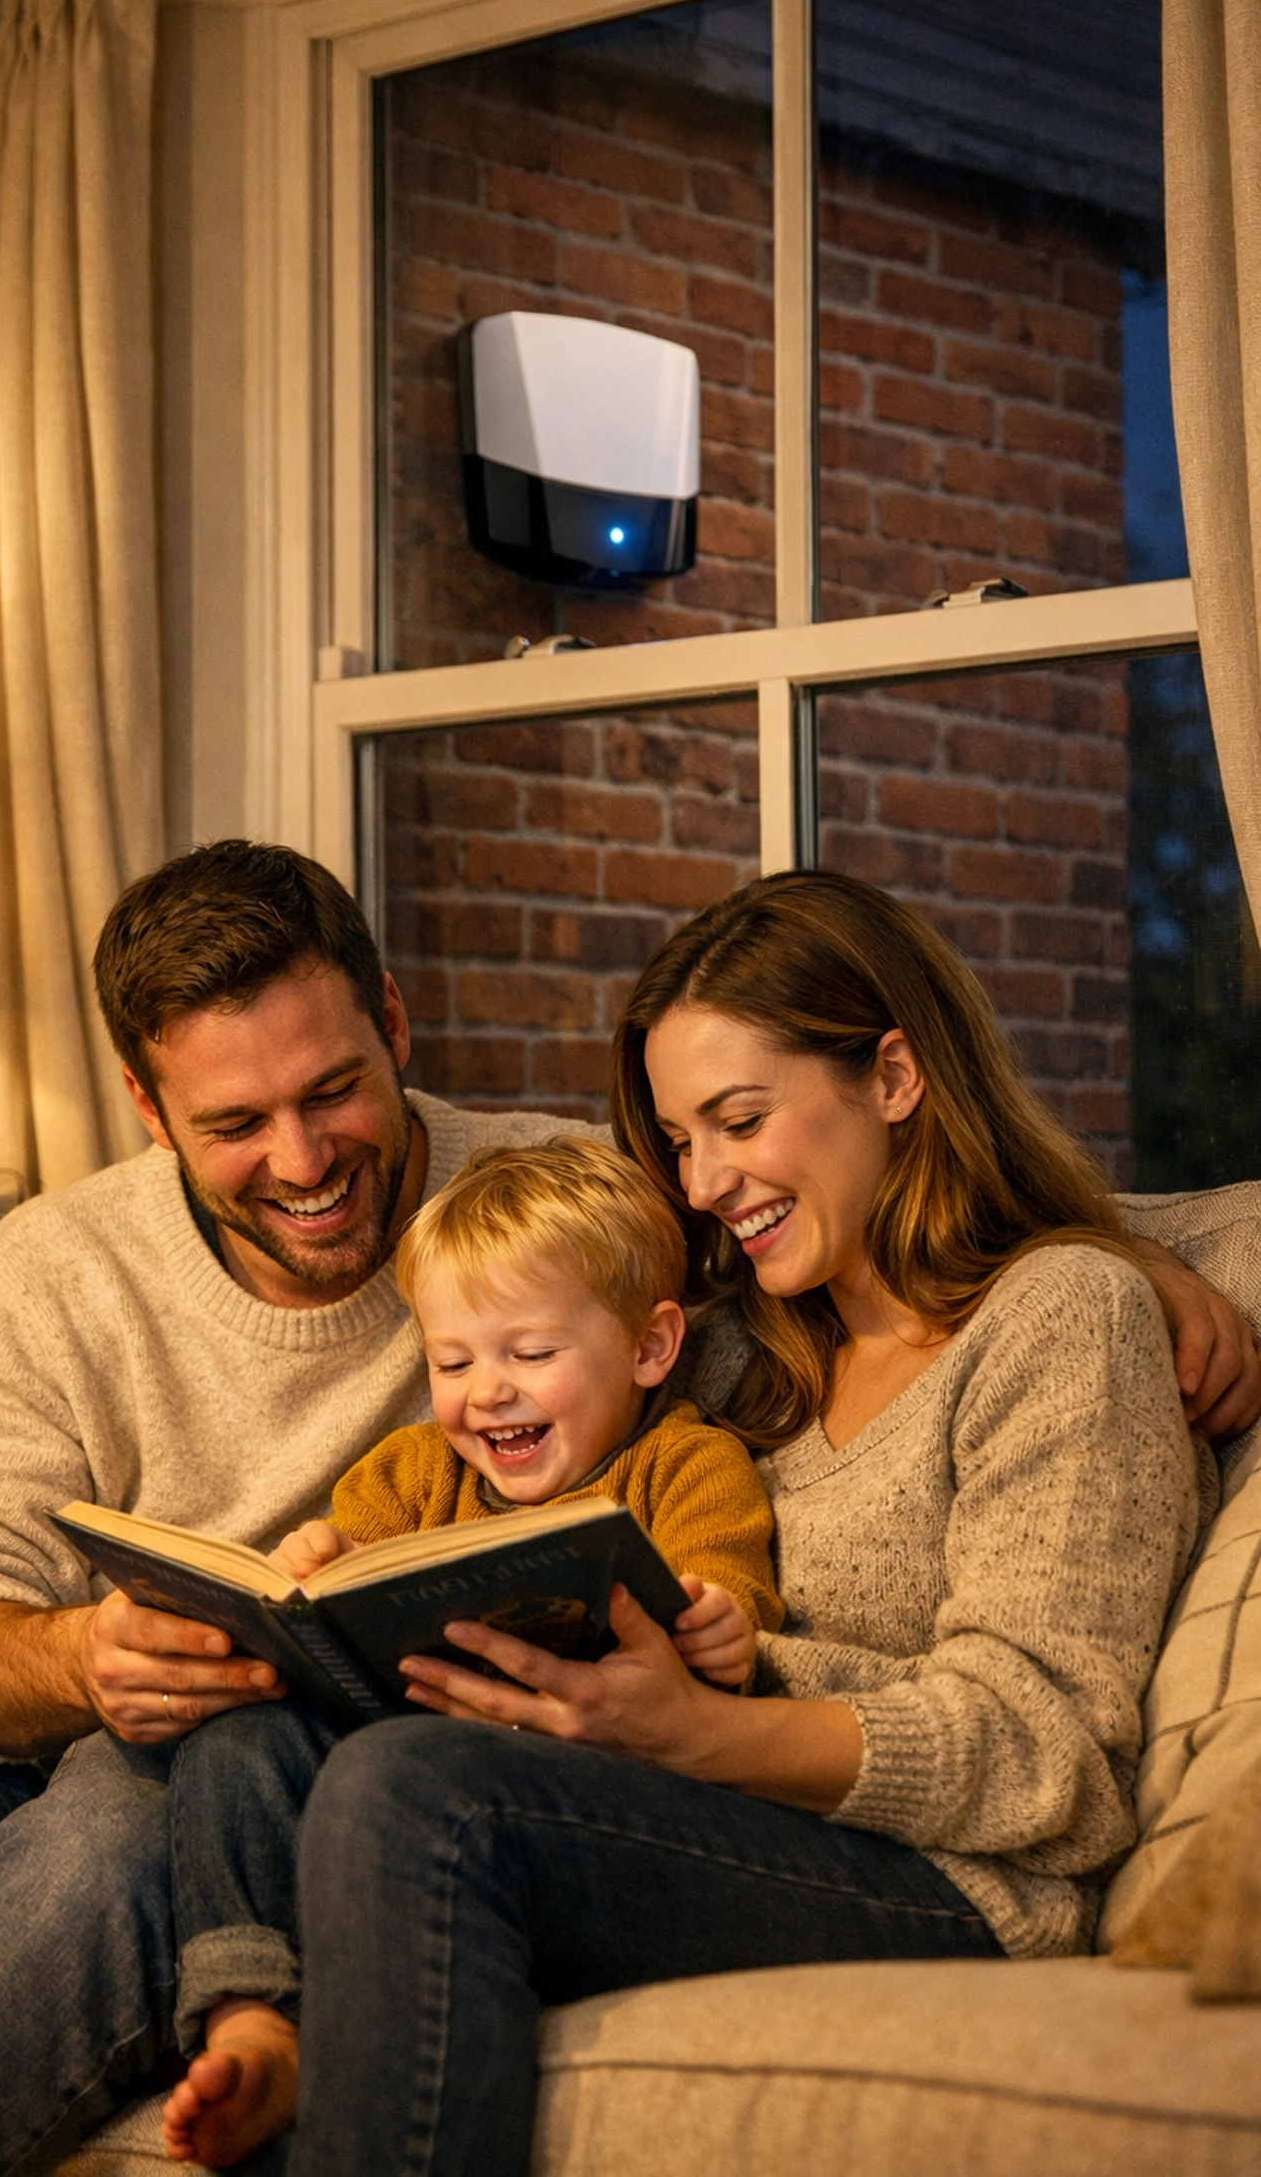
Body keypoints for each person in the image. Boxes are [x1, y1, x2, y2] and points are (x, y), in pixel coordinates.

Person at [0, 847, 1248, 2177]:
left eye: (333, 1092)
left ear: (395, 1028)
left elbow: (977, 1299)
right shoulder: (775, 1330)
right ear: (148, 1107)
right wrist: (85, 1657)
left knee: (335, 1794)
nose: (304, 1160)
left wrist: (1132, 1264)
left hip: (765, 1816)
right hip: (179, 1732)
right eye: (236, 1122)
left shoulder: (584, 1216)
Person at [267, 871, 1221, 2177]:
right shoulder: (733, 1357)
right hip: (676, 1799)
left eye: (739, 1121)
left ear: (894, 1075)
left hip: (954, 1882)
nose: (703, 1182)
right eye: (677, 1140)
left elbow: (1054, 1754)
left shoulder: (1059, 1321)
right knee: (253, 1750)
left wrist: (708, 1731)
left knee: (419, 1800)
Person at [161, 1135, 783, 2170]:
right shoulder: (411, 1472)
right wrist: (316, 1566)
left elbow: (729, 1600)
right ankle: (253, 2015)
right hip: (385, 1775)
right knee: (238, 1744)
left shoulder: (687, 1464)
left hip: (557, 1802)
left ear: (649, 1346)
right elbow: (338, 1573)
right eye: (452, 1362)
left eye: (529, 1354)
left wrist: (720, 1629)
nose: (485, 1392)